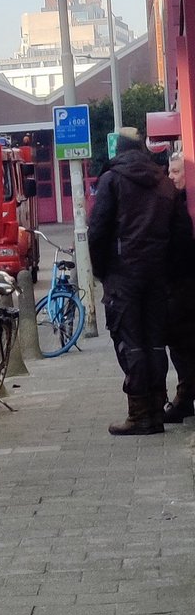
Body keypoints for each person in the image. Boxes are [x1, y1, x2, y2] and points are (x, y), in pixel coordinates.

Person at [88, 127, 193, 435]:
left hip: (123, 276)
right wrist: (167, 270)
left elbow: (97, 231)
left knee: (130, 342)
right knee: (155, 342)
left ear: (119, 151)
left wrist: (102, 271)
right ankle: (157, 412)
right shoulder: (164, 184)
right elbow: (180, 233)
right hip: (157, 277)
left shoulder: (111, 180)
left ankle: (139, 414)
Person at [162, 151, 195, 424]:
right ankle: (185, 396)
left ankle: (184, 398)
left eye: (175, 172)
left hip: (183, 284)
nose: (170, 177)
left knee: (182, 342)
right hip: (179, 284)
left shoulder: (181, 206)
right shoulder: (175, 202)